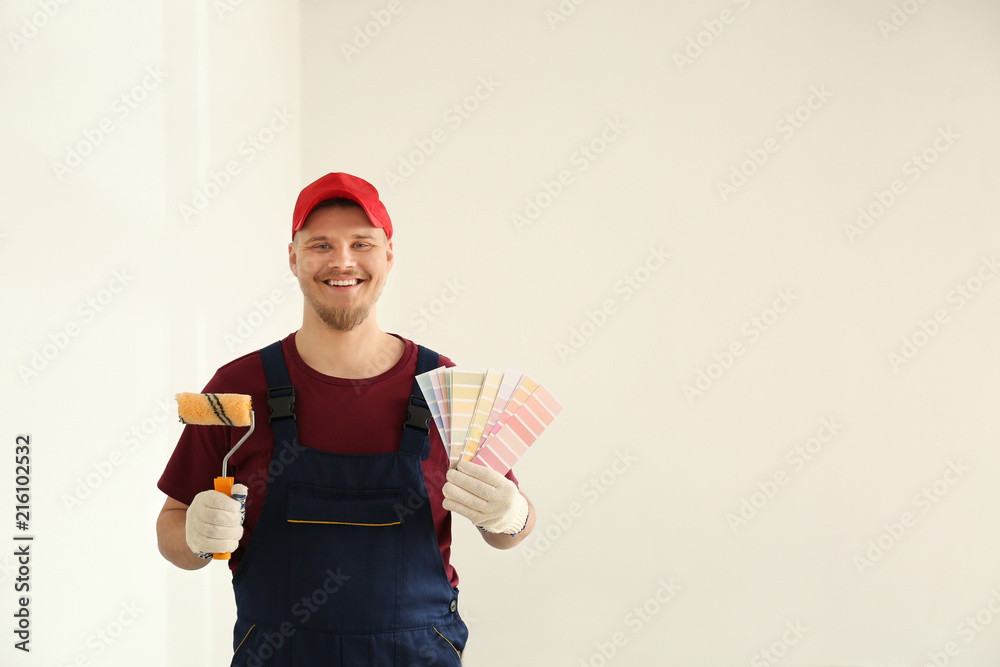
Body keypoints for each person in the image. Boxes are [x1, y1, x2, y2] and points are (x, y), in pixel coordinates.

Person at [155, 172, 536, 666]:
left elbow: (510, 534)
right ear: (292, 258)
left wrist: (513, 514)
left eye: (362, 243)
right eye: (320, 245)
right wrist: (194, 538)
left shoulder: (445, 386)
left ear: (388, 256)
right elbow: (172, 524)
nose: (342, 261)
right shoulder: (237, 387)